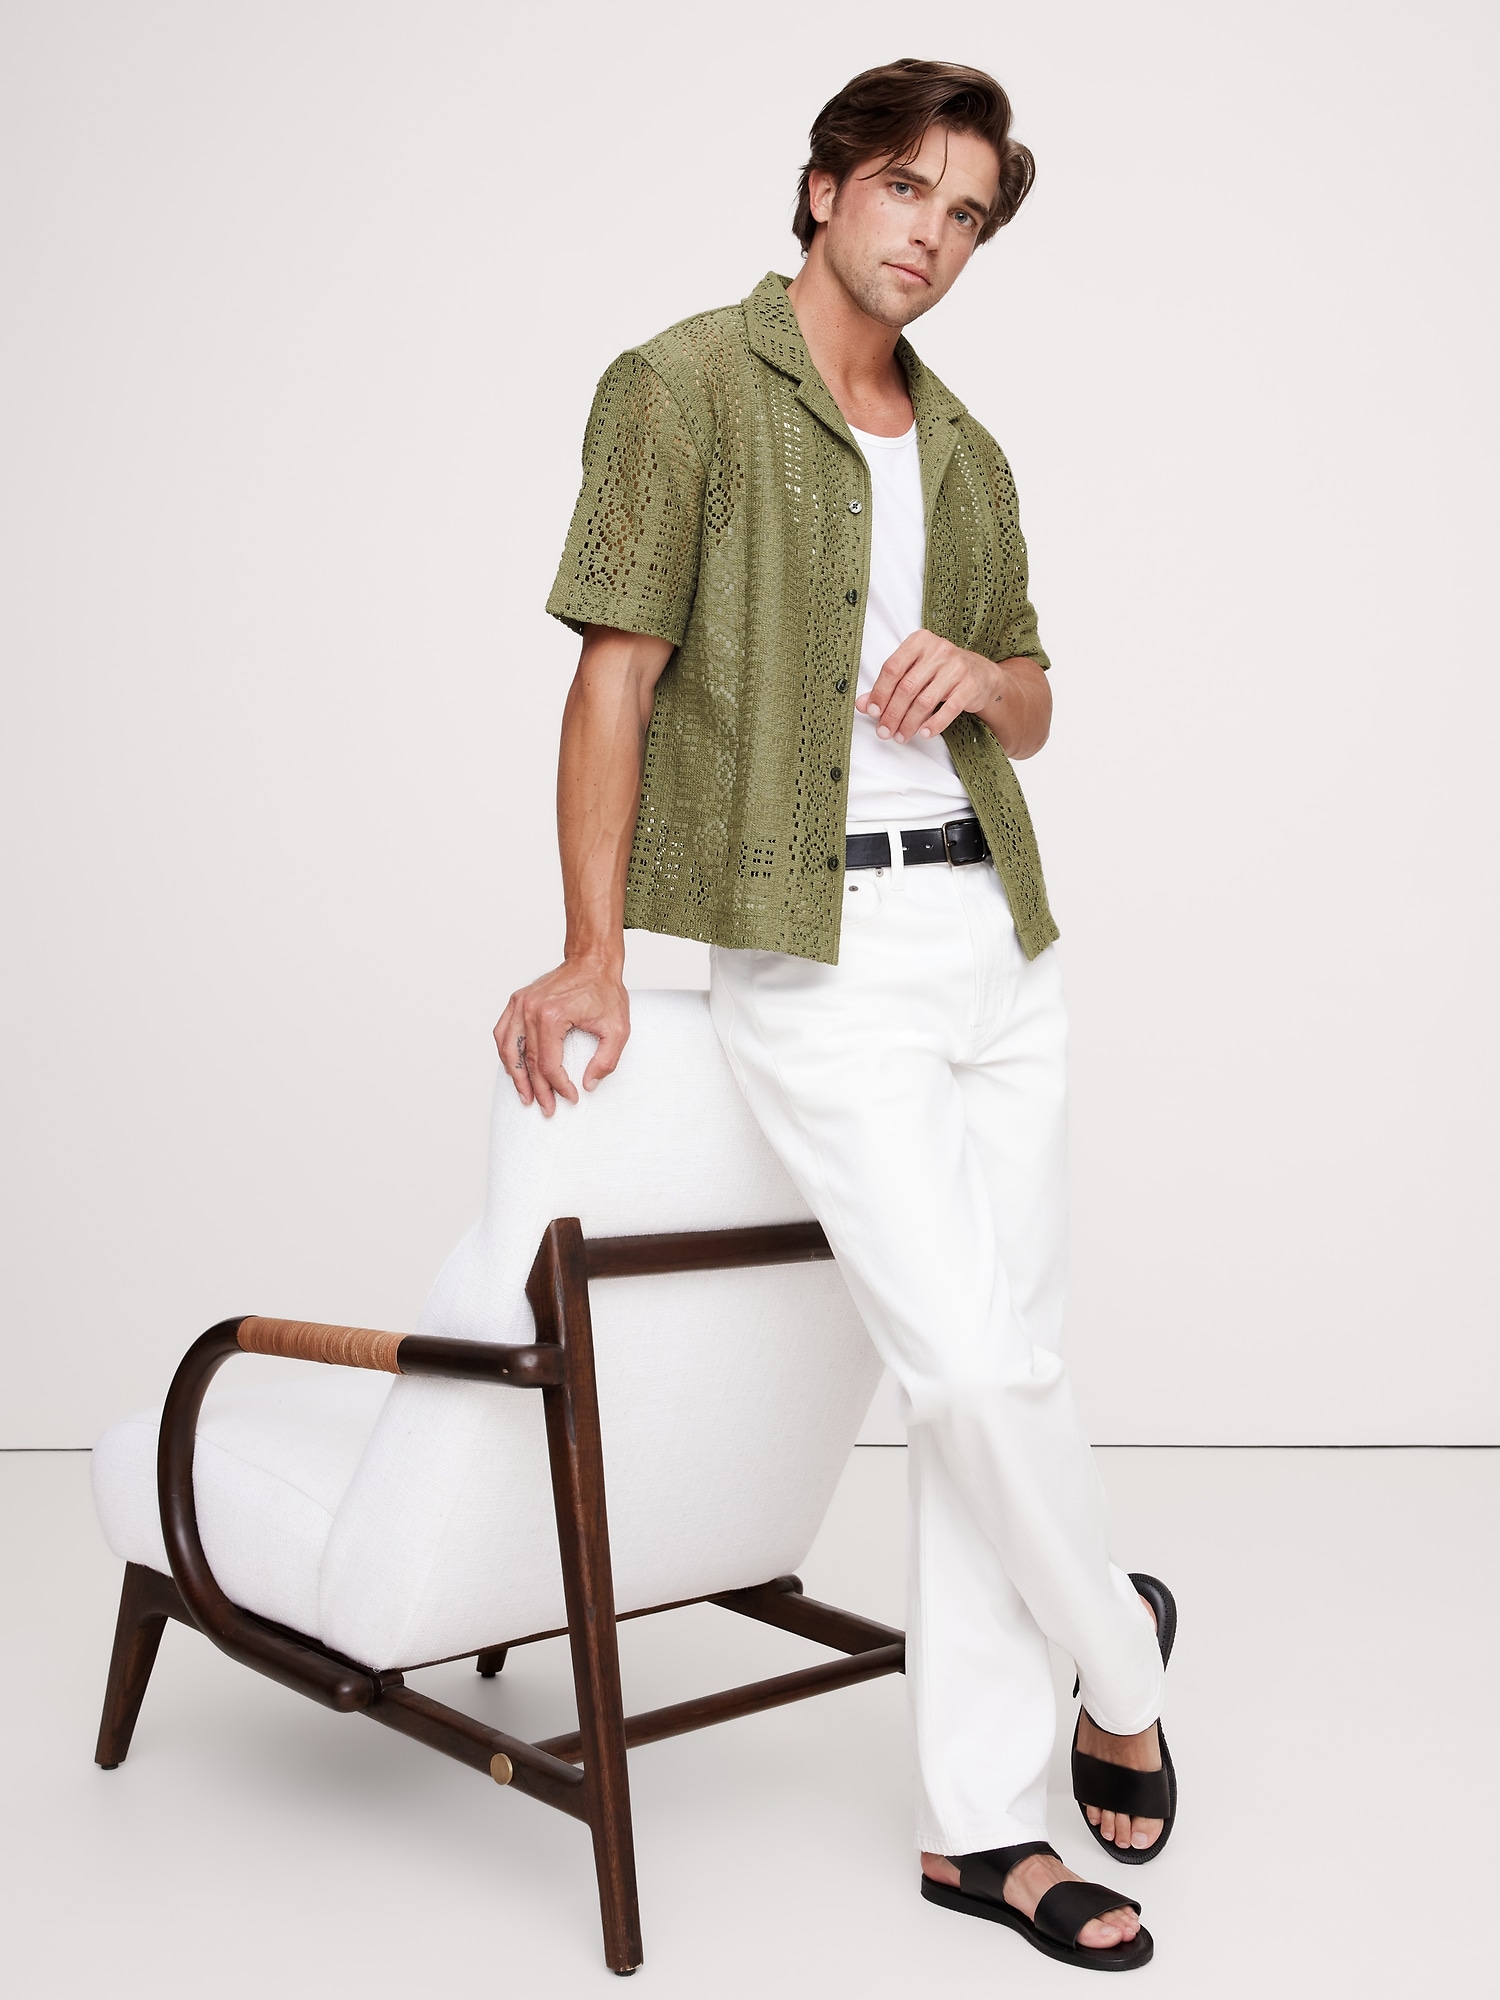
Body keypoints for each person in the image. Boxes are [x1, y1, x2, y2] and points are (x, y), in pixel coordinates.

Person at [495, 58, 1176, 1971]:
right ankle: (1123, 1661)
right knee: (967, 1372)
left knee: (1003, 1372)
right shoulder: (683, 388)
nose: (931, 238)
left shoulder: (964, 449)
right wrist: (592, 946)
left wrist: (981, 674)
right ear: (822, 188)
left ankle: (982, 1835)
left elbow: (1035, 698)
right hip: (825, 947)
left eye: (966, 217)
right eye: (904, 192)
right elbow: (613, 679)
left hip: (999, 936)